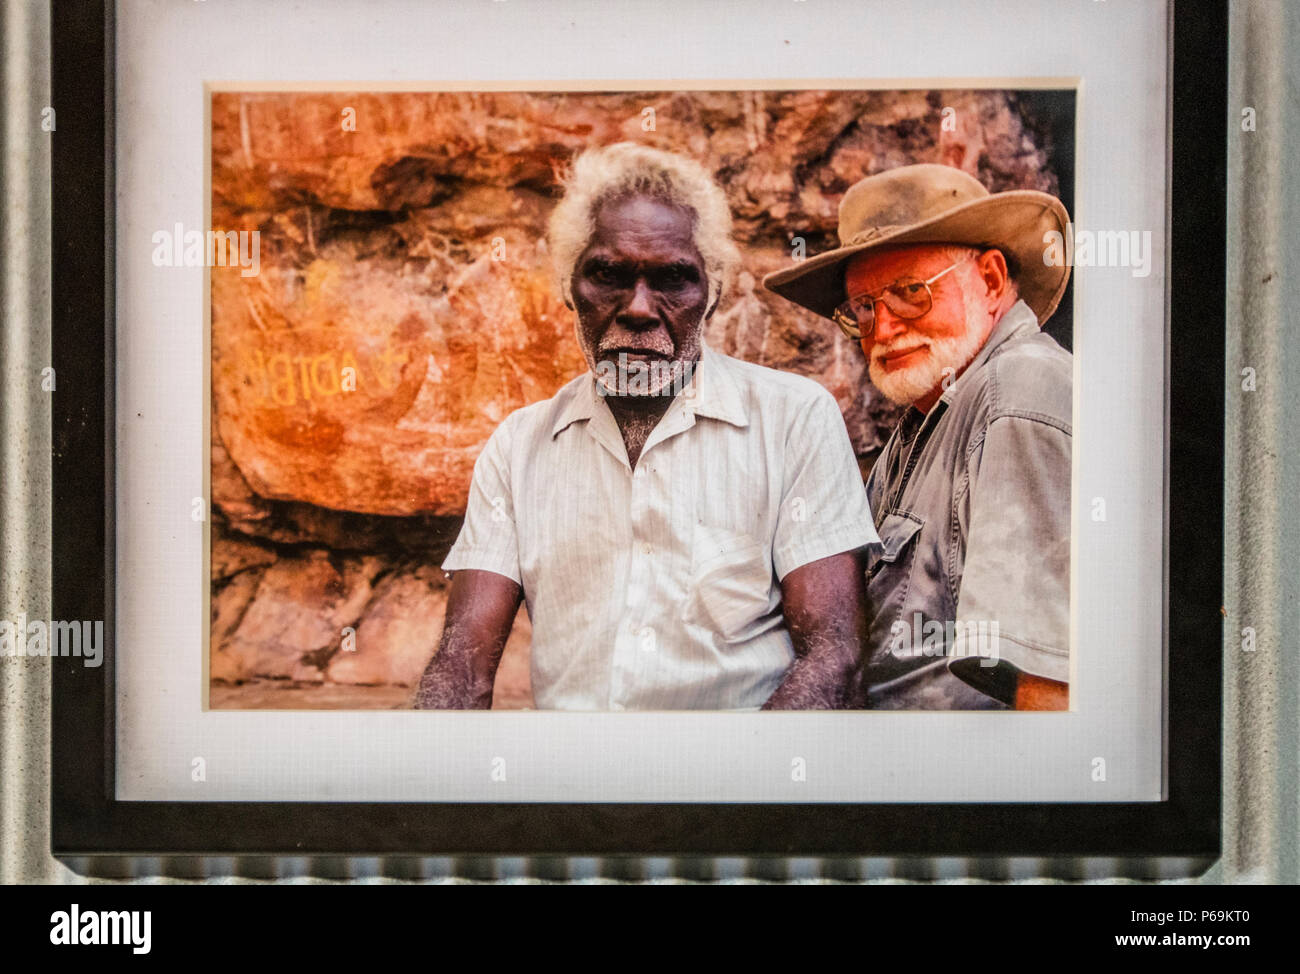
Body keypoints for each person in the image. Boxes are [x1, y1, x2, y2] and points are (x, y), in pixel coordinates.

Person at [415, 143, 878, 711]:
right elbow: (462, 665)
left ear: (712, 296)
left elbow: (834, 656)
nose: (638, 308)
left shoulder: (793, 420)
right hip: (576, 785)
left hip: (737, 780)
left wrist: (746, 789)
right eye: (608, 274)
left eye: (672, 280)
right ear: (569, 288)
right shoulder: (518, 447)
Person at [763, 162, 1073, 710]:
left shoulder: (1019, 386)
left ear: (992, 281)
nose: (882, 329)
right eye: (863, 307)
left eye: (910, 292)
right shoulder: (922, 427)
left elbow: (1049, 684)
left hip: (962, 792)